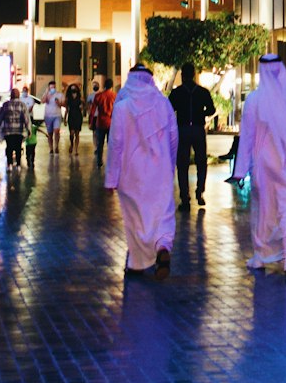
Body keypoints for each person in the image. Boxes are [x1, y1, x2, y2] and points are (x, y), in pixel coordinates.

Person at [232, 55, 286, 275]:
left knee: (263, 212)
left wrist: (239, 171)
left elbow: (246, 137)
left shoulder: (255, 99)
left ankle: (260, 256)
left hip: (264, 165)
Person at [104, 62, 179, 274]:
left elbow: (115, 144)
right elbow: (174, 139)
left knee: (136, 217)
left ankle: (137, 262)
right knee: (162, 213)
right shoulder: (163, 103)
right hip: (160, 170)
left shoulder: (121, 107)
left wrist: (111, 178)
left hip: (131, 173)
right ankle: (163, 246)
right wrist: (170, 166)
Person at [168, 62, 216, 211]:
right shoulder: (203, 92)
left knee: (182, 164)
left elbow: (169, 110)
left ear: (182, 75)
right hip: (198, 129)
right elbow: (211, 109)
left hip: (182, 129)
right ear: (194, 74)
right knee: (201, 162)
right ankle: (199, 192)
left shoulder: (177, 93)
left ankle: (185, 198)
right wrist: (201, 113)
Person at [0, 88, 31, 168]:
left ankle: (9, 164)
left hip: (8, 130)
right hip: (19, 131)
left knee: (9, 147)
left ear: (11, 95)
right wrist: (28, 129)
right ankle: (18, 164)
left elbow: (0, 117)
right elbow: (26, 118)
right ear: (18, 95)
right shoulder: (22, 105)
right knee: (18, 147)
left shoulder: (6, 104)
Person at [90, 78, 116, 168]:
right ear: (112, 86)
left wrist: (90, 122)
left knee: (100, 143)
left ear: (104, 86)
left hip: (100, 122)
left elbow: (92, 111)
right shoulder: (115, 96)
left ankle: (99, 162)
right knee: (111, 143)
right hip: (111, 122)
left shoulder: (98, 96)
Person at [41, 80, 64, 155]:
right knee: (50, 133)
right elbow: (43, 101)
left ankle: (56, 146)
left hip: (57, 115)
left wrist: (59, 103)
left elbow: (63, 104)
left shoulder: (59, 94)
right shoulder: (47, 94)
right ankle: (51, 148)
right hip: (48, 116)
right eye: (51, 87)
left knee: (56, 131)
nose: (52, 88)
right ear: (49, 87)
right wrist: (47, 92)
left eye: (54, 87)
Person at [64, 83, 84, 155]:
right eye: (72, 89)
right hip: (71, 116)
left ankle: (76, 149)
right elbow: (66, 109)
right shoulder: (68, 98)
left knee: (77, 133)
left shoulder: (80, 98)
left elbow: (83, 106)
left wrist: (82, 106)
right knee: (71, 133)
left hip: (78, 116)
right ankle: (71, 144)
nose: (73, 90)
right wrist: (64, 119)